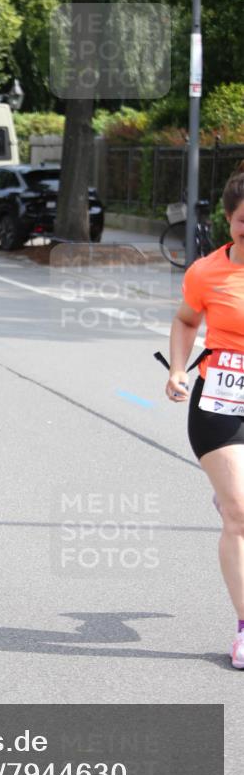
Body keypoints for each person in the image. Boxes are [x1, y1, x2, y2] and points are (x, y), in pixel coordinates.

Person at [166, 166, 244, 669]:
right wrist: (176, 368)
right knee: (240, 514)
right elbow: (186, 320)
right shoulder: (206, 272)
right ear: (229, 220)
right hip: (219, 400)